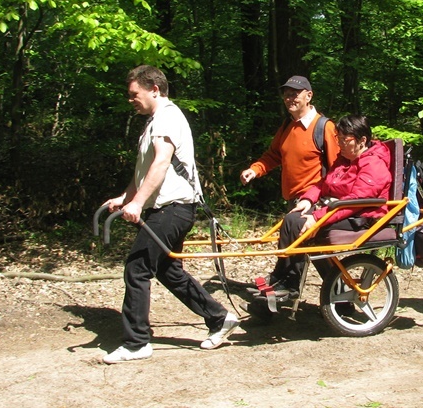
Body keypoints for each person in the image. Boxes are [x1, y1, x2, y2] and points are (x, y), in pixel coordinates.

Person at [102, 65, 238, 364]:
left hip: (173, 209)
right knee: (167, 270)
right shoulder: (155, 121)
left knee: (136, 268)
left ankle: (137, 342)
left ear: (154, 89)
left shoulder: (168, 117)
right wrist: (125, 197)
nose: (131, 100)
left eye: (134, 94)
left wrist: (136, 204)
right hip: (168, 208)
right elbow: (145, 170)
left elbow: (162, 163)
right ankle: (220, 318)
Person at [263, 114, 392, 295]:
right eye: (338, 138)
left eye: (344, 139)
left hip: (362, 216)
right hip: (339, 209)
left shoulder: (374, 164)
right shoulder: (344, 159)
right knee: (292, 218)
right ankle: (283, 278)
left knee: (301, 225)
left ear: (362, 140)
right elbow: (324, 184)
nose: (339, 143)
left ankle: (288, 283)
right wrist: (307, 200)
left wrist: (317, 217)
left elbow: (355, 202)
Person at [240, 75, 340, 208]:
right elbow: (274, 155)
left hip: (315, 203)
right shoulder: (287, 125)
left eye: (294, 94)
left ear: (309, 96)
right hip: (293, 202)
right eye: (286, 95)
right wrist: (254, 170)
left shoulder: (325, 127)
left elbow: (338, 168)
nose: (288, 99)